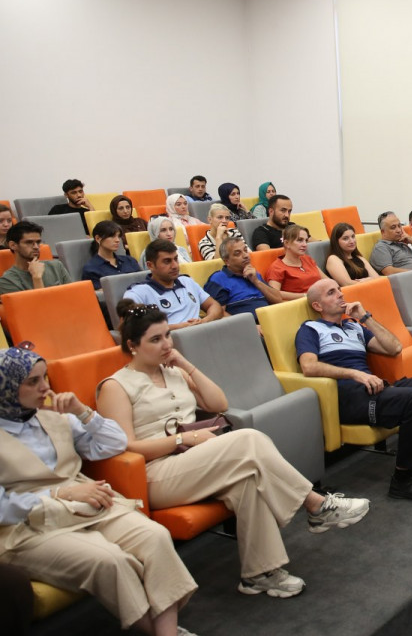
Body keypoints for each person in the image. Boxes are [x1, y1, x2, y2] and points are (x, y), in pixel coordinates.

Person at [96, 304, 370, 599]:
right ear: (132, 346)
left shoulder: (173, 372)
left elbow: (219, 404)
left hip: (193, 460)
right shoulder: (115, 386)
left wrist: (187, 365)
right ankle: (316, 505)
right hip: (155, 474)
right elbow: (127, 447)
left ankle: (259, 574)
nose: (166, 344)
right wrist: (183, 439)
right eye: (155, 339)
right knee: (248, 439)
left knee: (247, 481)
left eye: (167, 336)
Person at [0, 346, 199, 635]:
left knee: (154, 536)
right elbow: (3, 509)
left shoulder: (53, 413)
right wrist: (59, 495)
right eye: (33, 381)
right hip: (26, 525)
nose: (44, 387)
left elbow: (115, 444)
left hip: (87, 502)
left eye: (44, 377)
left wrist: (82, 412)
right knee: (109, 561)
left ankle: (166, 633)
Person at [299, 279, 412, 501]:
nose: (340, 295)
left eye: (339, 290)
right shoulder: (310, 329)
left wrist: (364, 317)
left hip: (374, 388)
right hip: (348, 396)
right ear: (318, 306)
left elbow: (394, 347)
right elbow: (308, 366)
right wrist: (355, 374)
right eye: (331, 293)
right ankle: (402, 479)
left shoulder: (355, 326)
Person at [123, 239, 223, 330]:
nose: (175, 266)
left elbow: (214, 305)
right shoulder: (138, 292)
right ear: (150, 265)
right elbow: (130, 328)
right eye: (167, 261)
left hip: (202, 335)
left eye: (176, 259)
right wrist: (181, 327)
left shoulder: (187, 281)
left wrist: (204, 321)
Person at [203, 237, 282, 319]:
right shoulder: (219, 279)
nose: (246, 256)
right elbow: (218, 314)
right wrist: (246, 324)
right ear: (227, 261)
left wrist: (256, 281)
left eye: (245, 250)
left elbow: (278, 300)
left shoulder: (254, 274)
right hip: (245, 324)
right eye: (238, 253)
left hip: (270, 320)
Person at [0, 221, 72, 296]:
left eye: (38, 242)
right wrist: (37, 278)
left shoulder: (57, 266)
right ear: (13, 245)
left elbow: (73, 296)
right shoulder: (7, 281)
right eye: (29, 242)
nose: (36, 247)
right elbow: (38, 304)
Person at [265, 225, 325, 300]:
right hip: (300, 303)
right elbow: (274, 294)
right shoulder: (277, 268)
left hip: (321, 299)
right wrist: (306, 296)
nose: (305, 244)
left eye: (306, 241)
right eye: (300, 240)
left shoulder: (307, 259)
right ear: (287, 243)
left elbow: (326, 280)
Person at [81, 221, 141, 289]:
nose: (117, 240)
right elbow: (98, 293)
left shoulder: (130, 261)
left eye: (118, 236)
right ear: (98, 238)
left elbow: (143, 282)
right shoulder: (91, 268)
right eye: (112, 236)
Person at [325, 222, 379, 287]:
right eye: (345, 238)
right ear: (336, 242)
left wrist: (368, 280)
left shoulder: (359, 257)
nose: (352, 241)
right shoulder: (333, 259)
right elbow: (347, 284)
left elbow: (377, 279)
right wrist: (369, 280)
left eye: (353, 237)